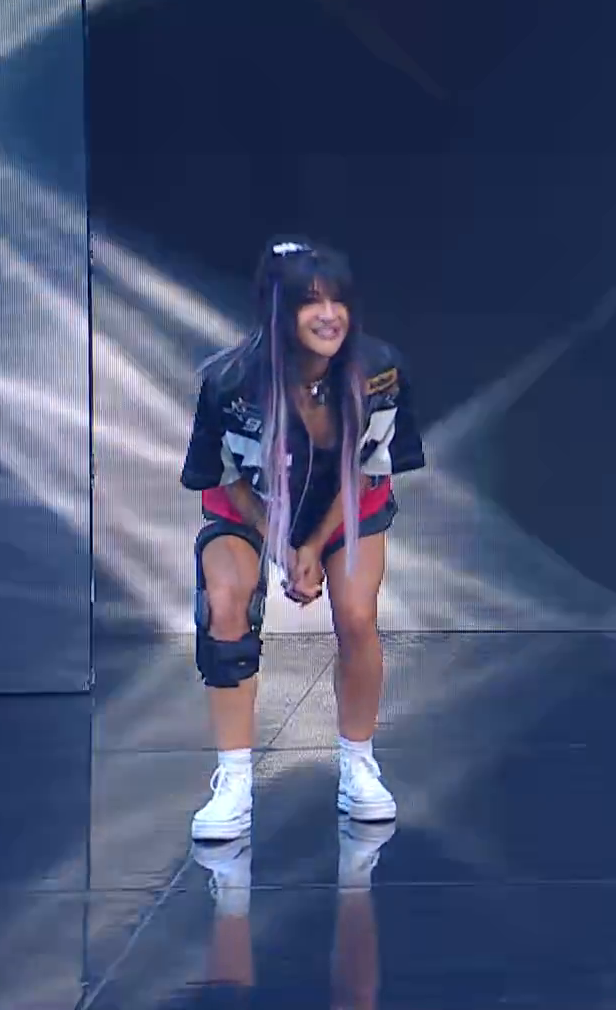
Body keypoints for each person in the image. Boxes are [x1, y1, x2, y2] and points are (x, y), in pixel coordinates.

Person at [180, 237, 426, 842]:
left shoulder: (380, 373)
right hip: (251, 503)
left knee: (357, 615)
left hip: (344, 504)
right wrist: (281, 544)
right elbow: (223, 477)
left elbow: (368, 470)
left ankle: (359, 766)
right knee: (225, 606)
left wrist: (312, 545)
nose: (329, 315)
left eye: (338, 301)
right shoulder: (230, 381)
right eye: (310, 302)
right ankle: (234, 781)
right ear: (278, 311)